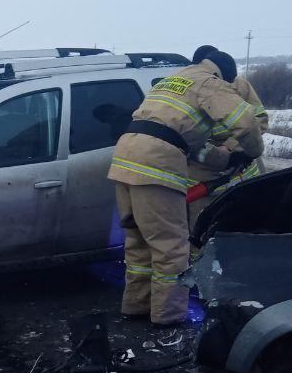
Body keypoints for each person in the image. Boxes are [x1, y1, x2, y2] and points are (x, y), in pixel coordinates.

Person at [109, 51, 264, 325]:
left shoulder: (173, 80)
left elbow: (191, 143)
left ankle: (135, 307)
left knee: (138, 241)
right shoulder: (210, 83)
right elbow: (247, 122)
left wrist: (226, 157)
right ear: (223, 73)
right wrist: (251, 151)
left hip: (125, 157)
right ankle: (167, 317)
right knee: (171, 247)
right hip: (155, 164)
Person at [185, 45, 269, 230]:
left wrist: (231, 148)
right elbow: (186, 139)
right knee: (202, 235)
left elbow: (259, 120)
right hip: (204, 187)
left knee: (248, 229)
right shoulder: (189, 87)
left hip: (243, 177)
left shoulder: (240, 85)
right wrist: (214, 155)